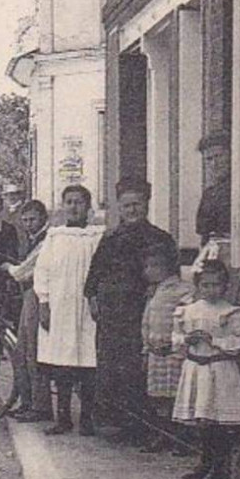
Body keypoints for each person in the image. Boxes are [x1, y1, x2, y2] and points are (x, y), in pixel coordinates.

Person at [84, 177, 177, 442]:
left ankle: (143, 426)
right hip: (112, 314)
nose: (132, 210)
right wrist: (92, 298)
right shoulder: (111, 238)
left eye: (136, 204)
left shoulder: (159, 238)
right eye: (126, 206)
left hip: (143, 312)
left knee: (139, 367)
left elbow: (170, 278)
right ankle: (116, 423)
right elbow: (94, 274)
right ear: (119, 208)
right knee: (112, 367)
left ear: (146, 204)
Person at [33, 184, 106, 435]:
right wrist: (44, 303)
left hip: (89, 308)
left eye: (79, 202)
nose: (74, 207)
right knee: (62, 364)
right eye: (69, 202)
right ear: (63, 206)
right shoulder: (55, 236)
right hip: (60, 307)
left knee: (88, 362)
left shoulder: (98, 236)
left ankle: (87, 418)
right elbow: (42, 272)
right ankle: (62, 418)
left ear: (88, 206)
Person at [171, 260, 240, 479]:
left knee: (218, 420)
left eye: (216, 285)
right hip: (197, 368)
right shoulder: (189, 311)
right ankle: (204, 462)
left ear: (225, 286)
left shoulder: (229, 312)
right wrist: (187, 339)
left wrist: (214, 340)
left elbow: (236, 342)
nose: (211, 290)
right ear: (198, 286)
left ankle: (219, 466)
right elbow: (175, 338)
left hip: (220, 369)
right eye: (206, 285)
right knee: (202, 420)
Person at [0, 199, 52, 422]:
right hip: (29, 295)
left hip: (38, 296)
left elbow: (23, 272)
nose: (29, 224)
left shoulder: (46, 241)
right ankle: (28, 402)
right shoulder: (32, 239)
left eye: (33, 219)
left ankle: (40, 406)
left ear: (43, 218)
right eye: (25, 220)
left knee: (32, 350)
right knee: (22, 350)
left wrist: (8, 269)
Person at [140, 241, 195, 454]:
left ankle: (181, 438)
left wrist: (176, 344)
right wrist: (146, 349)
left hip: (173, 353)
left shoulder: (183, 290)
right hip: (155, 353)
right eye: (147, 267)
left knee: (176, 396)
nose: (149, 271)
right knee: (158, 397)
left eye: (155, 266)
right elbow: (146, 321)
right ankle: (162, 435)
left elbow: (186, 320)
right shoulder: (154, 292)